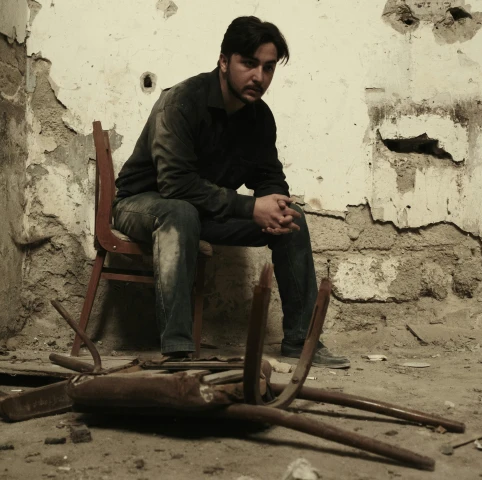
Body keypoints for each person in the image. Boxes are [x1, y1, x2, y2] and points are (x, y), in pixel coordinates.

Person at [112, 16, 350, 368]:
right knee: (179, 211)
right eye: (249, 63)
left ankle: (301, 342)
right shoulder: (179, 102)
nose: (259, 77)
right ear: (224, 61)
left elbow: (269, 176)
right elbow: (174, 185)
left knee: (293, 219)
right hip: (143, 206)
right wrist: (251, 207)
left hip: (202, 213)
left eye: (268, 68)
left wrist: (276, 206)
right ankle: (178, 350)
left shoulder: (259, 117)